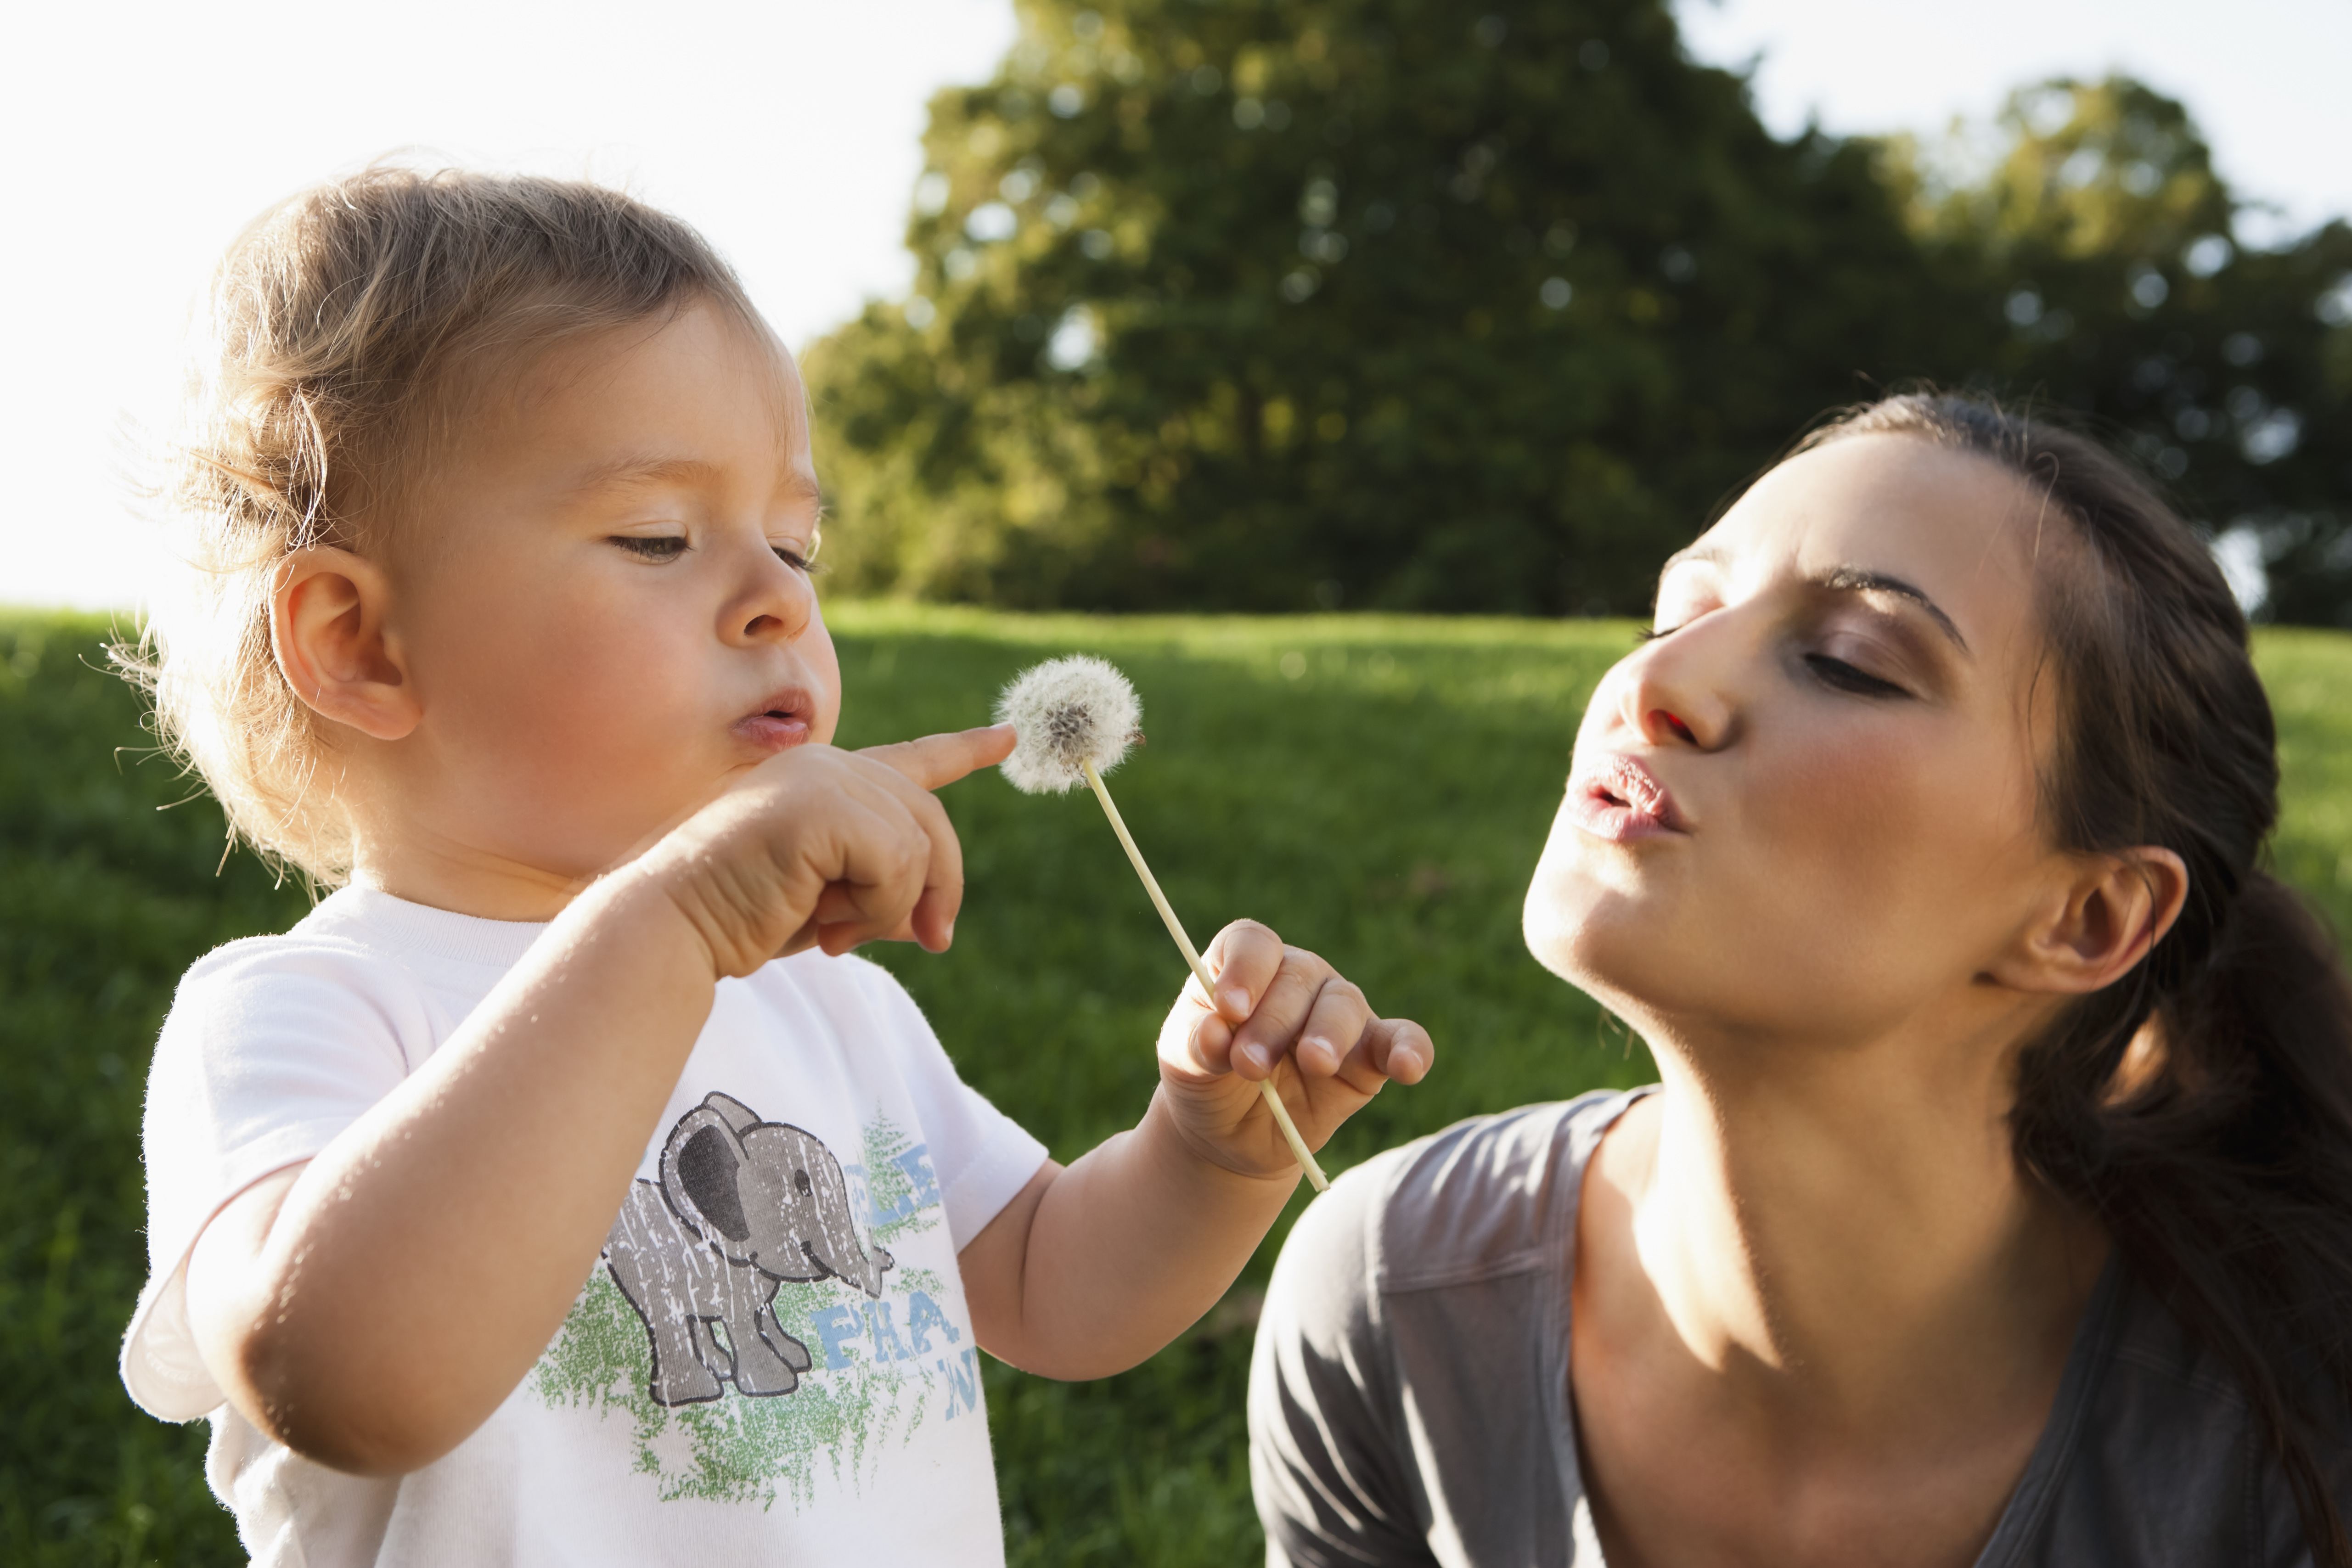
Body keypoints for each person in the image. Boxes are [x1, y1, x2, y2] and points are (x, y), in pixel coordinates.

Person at [114, 166, 1434, 1567]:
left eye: (797, 544)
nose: (781, 595)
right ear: (358, 643)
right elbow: (349, 1378)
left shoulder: (827, 1007)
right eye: (658, 538)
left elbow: (1052, 1285)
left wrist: (1198, 1154)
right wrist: (669, 925)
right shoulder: (304, 1013)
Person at [1249, 393, 2352, 1567]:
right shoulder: (1395, 1299)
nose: (1654, 683)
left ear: (2086, 918)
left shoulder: (2281, 1446)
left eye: (1847, 663)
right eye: (1676, 611)